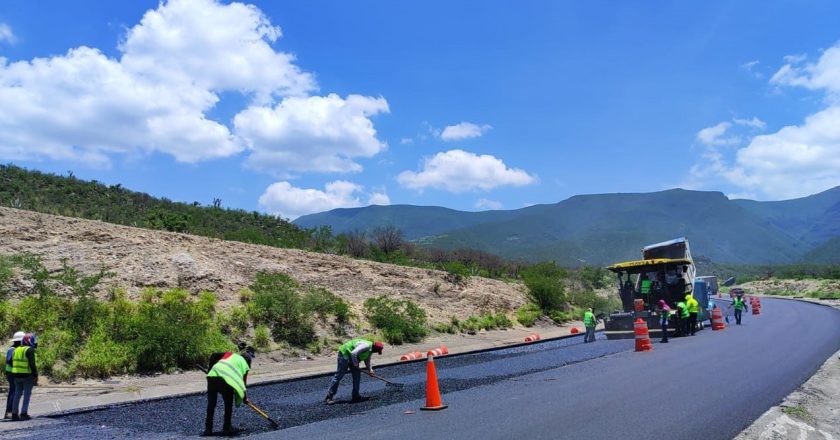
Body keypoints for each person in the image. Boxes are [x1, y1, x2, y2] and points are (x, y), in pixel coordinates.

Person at [203, 347, 254, 437]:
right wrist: (245, 398)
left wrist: (210, 370)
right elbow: (243, 383)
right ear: (248, 362)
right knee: (228, 403)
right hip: (225, 380)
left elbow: (214, 355)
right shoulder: (245, 365)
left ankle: (208, 429)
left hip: (212, 376)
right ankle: (226, 428)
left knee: (211, 404)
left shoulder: (230, 354)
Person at [324, 338, 384, 405]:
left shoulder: (370, 350)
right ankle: (329, 397)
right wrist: (356, 365)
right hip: (345, 354)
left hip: (353, 358)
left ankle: (355, 396)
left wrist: (370, 370)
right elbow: (353, 353)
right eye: (377, 351)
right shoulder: (366, 346)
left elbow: (367, 360)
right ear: (375, 348)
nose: (376, 352)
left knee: (357, 376)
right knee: (339, 376)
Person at [10, 333, 37, 421]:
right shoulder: (29, 350)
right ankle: (23, 413)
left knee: (17, 394)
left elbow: (10, 362)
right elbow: (32, 364)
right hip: (27, 376)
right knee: (26, 395)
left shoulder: (16, 350)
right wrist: (35, 375)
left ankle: (14, 414)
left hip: (16, 375)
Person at [4, 331, 24, 420]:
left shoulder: (16, 349)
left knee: (14, 391)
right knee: (14, 391)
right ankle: (10, 412)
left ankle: (10, 412)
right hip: (12, 373)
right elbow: (10, 361)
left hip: (12, 372)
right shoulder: (12, 349)